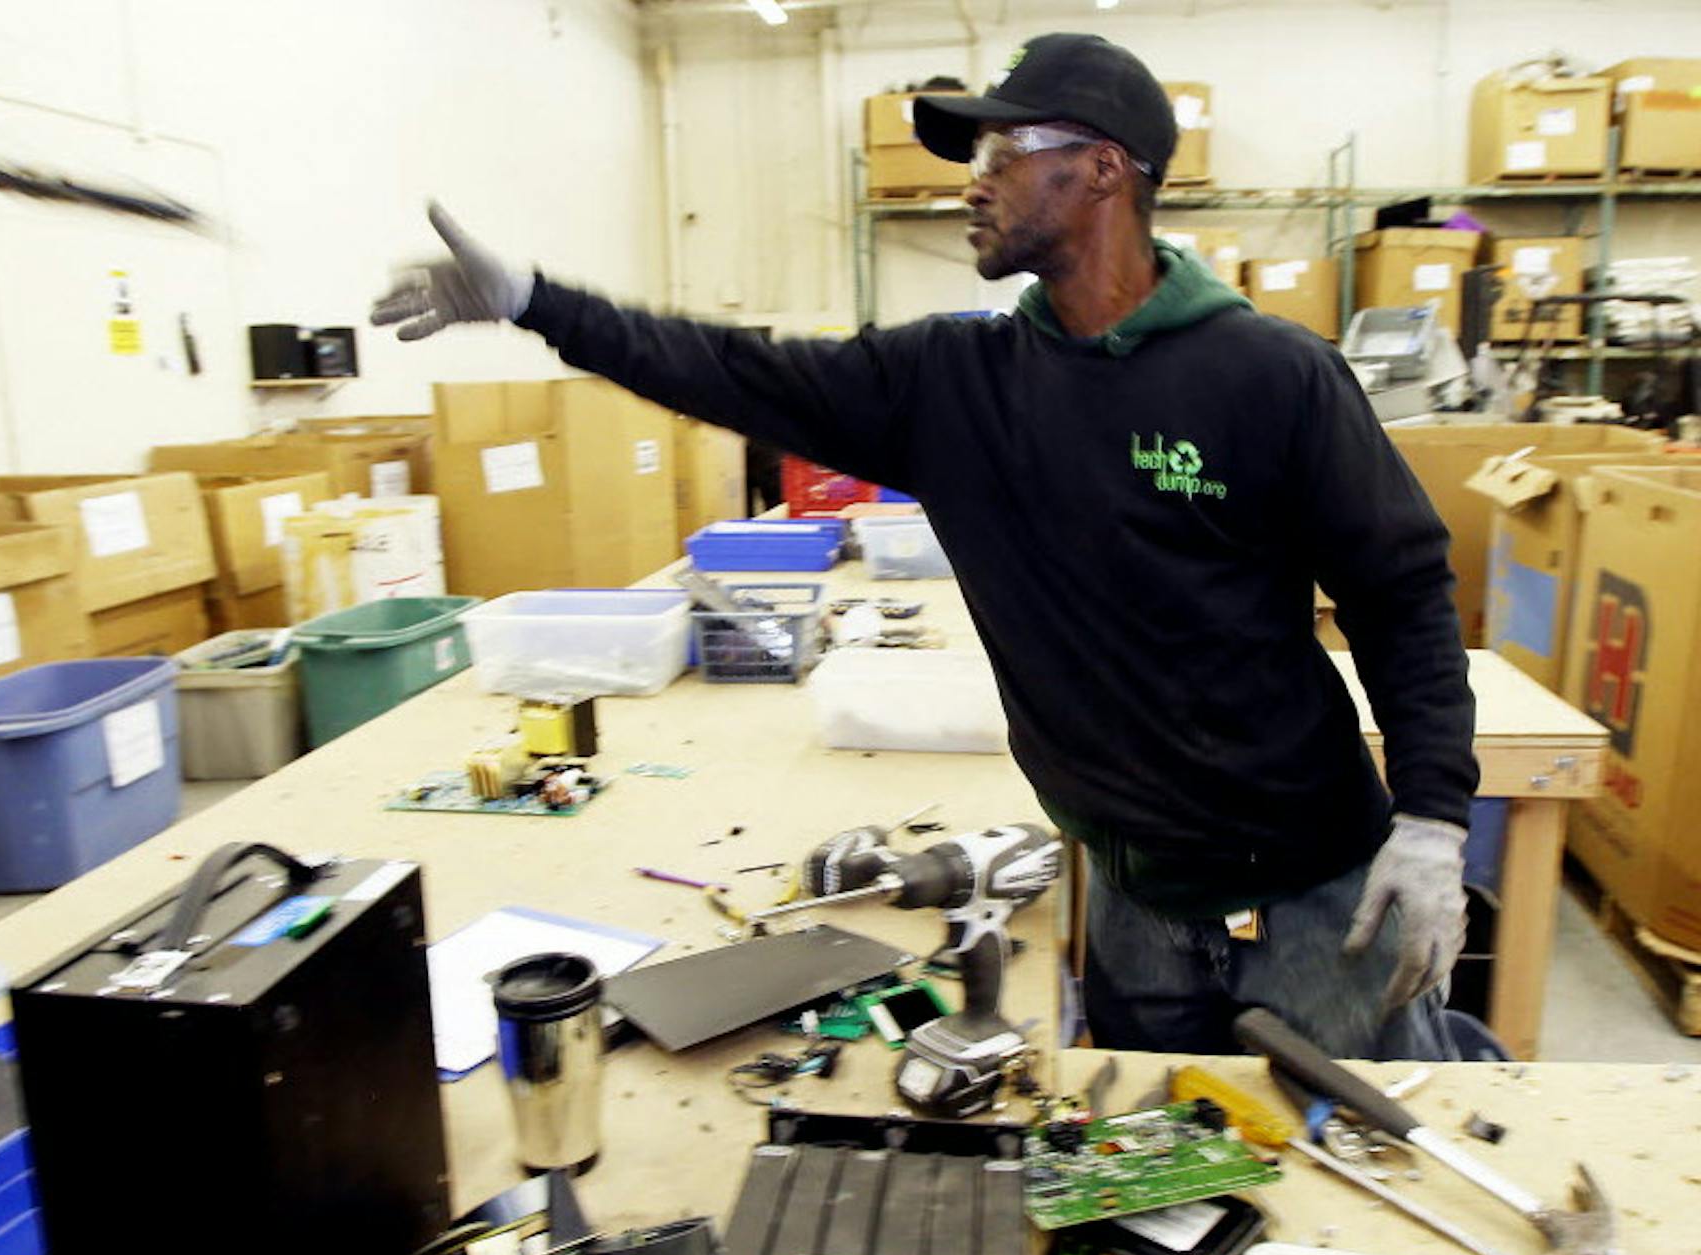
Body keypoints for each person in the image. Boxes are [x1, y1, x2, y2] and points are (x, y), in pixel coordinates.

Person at [371, 33, 1477, 1060]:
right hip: (1133, 879)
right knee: (1164, 1167)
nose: (972, 179)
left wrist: (1431, 815)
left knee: (1367, 1142)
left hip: (1319, 872)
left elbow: (1402, 591)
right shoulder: (953, 381)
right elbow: (736, 368)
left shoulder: (1269, 374)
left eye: (1001, 149)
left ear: (1101, 171)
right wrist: (533, 301)